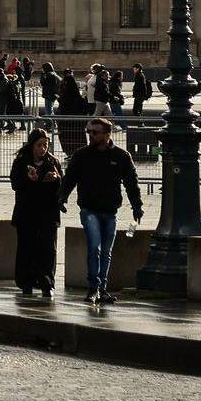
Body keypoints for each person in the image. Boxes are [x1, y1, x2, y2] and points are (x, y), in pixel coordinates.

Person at [59, 118, 143, 306]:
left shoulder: (121, 156)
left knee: (106, 252)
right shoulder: (81, 155)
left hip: (110, 211)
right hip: (89, 210)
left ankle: (102, 289)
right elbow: (69, 178)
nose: (90, 135)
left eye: (95, 132)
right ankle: (93, 288)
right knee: (94, 247)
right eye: (89, 132)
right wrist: (62, 197)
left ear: (107, 134)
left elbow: (131, 183)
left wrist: (137, 206)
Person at [10, 128, 62, 302]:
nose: (43, 149)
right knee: (26, 247)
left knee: (47, 249)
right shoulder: (21, 162)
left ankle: (47, 283)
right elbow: (15, 183)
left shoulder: (52, 162)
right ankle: (26, 282)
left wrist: (55, 179)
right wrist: (29, 179)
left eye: (45, 145)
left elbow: (61, 187)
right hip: (26, 212)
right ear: (32, 145)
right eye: (39, 145)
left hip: (48, 213)